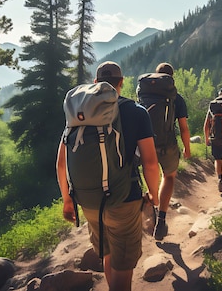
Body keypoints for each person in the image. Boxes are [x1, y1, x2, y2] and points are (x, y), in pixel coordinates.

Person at [56, 61, 160, 291]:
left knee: (108, 253)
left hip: (89, 201)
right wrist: (154, 194)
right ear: (121, 83)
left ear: (96, 83)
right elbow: (151, 163)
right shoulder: (136, 112)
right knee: (124, 268)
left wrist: (67, 199)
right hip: (124, 200)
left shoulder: (78, 113)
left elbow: (61, 164)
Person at [151, 62, 191, 241]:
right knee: (169, 176)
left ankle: (152, 204)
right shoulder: (177, 98)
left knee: (150, 173)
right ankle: (161, 219)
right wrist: (187, 148)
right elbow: (183, 128)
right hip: (168, 144)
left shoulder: (144, 95)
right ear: (171, 79)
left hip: (146, 144)